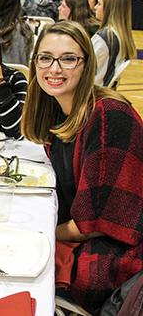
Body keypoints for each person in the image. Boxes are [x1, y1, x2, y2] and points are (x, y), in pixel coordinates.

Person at [21, 21, 143, 313]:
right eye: (46, 58)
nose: (54, 68)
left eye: (68, 59)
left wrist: (39, 231)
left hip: (116, 259)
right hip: (85, 239)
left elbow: (95, 223)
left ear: (86, 64)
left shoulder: (108, 115)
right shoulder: (60, 112)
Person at [92, 0, 136, 87]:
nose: (95, 7)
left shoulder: (105, 37)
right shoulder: (120, 35)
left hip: (93, 92)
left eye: (99, 4)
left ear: (109, 8)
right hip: (104, 91)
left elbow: (85, 68)